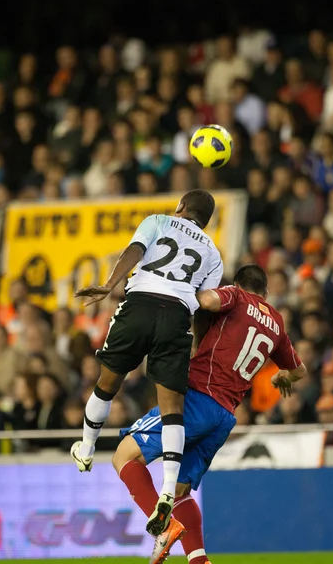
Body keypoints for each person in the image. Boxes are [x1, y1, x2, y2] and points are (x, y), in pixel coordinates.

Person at [112, 264, 306, 564]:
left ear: (239, 285)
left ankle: (163, 531)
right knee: (179, 491)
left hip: (198, 399)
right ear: (266, 292)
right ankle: (199, 560)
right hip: (225, 416)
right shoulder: (277, 323)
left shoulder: (237, 297)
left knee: (124, 455)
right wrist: (282, 377)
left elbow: (208, 301)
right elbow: (299, 370)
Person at [71, 190, 223, 536]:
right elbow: (205, 304)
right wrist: (198, 347)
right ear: (207, 220)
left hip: (140, 304)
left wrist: (110, 284)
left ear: (181, 208)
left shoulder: (157, 221)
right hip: (178, 317)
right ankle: (168, 488)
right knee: (172, 408)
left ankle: (87, 447)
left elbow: (135, 251)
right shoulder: (213, 253)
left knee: (107, 383)